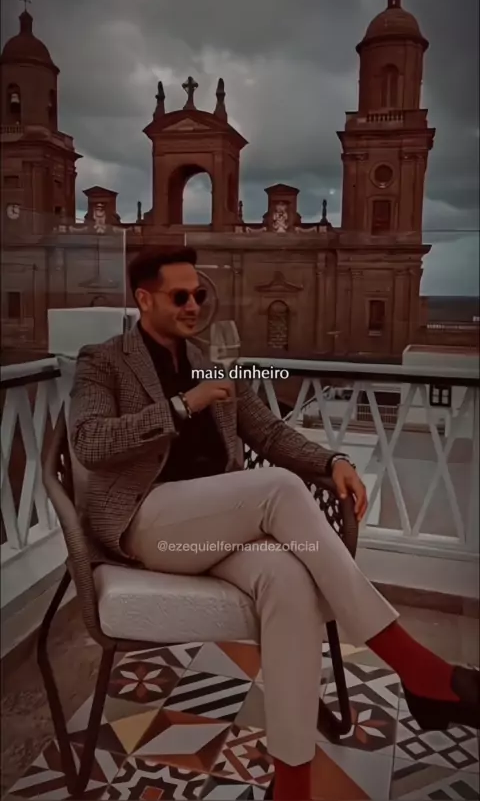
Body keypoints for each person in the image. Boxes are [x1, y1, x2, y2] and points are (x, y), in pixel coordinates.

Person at [69, 245, 479, 801]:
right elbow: (90, 443)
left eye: (199, 294)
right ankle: (420, 671)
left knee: (289, 584)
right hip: (148, 524)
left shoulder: (211, 360)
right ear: (144, 299)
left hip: (213, 528)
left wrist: (333, 462)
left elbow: (268, 431)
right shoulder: (103, 361)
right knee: (279, 487)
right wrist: (182, 406)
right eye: (180, 296)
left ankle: (292, 786)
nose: (194, 305)